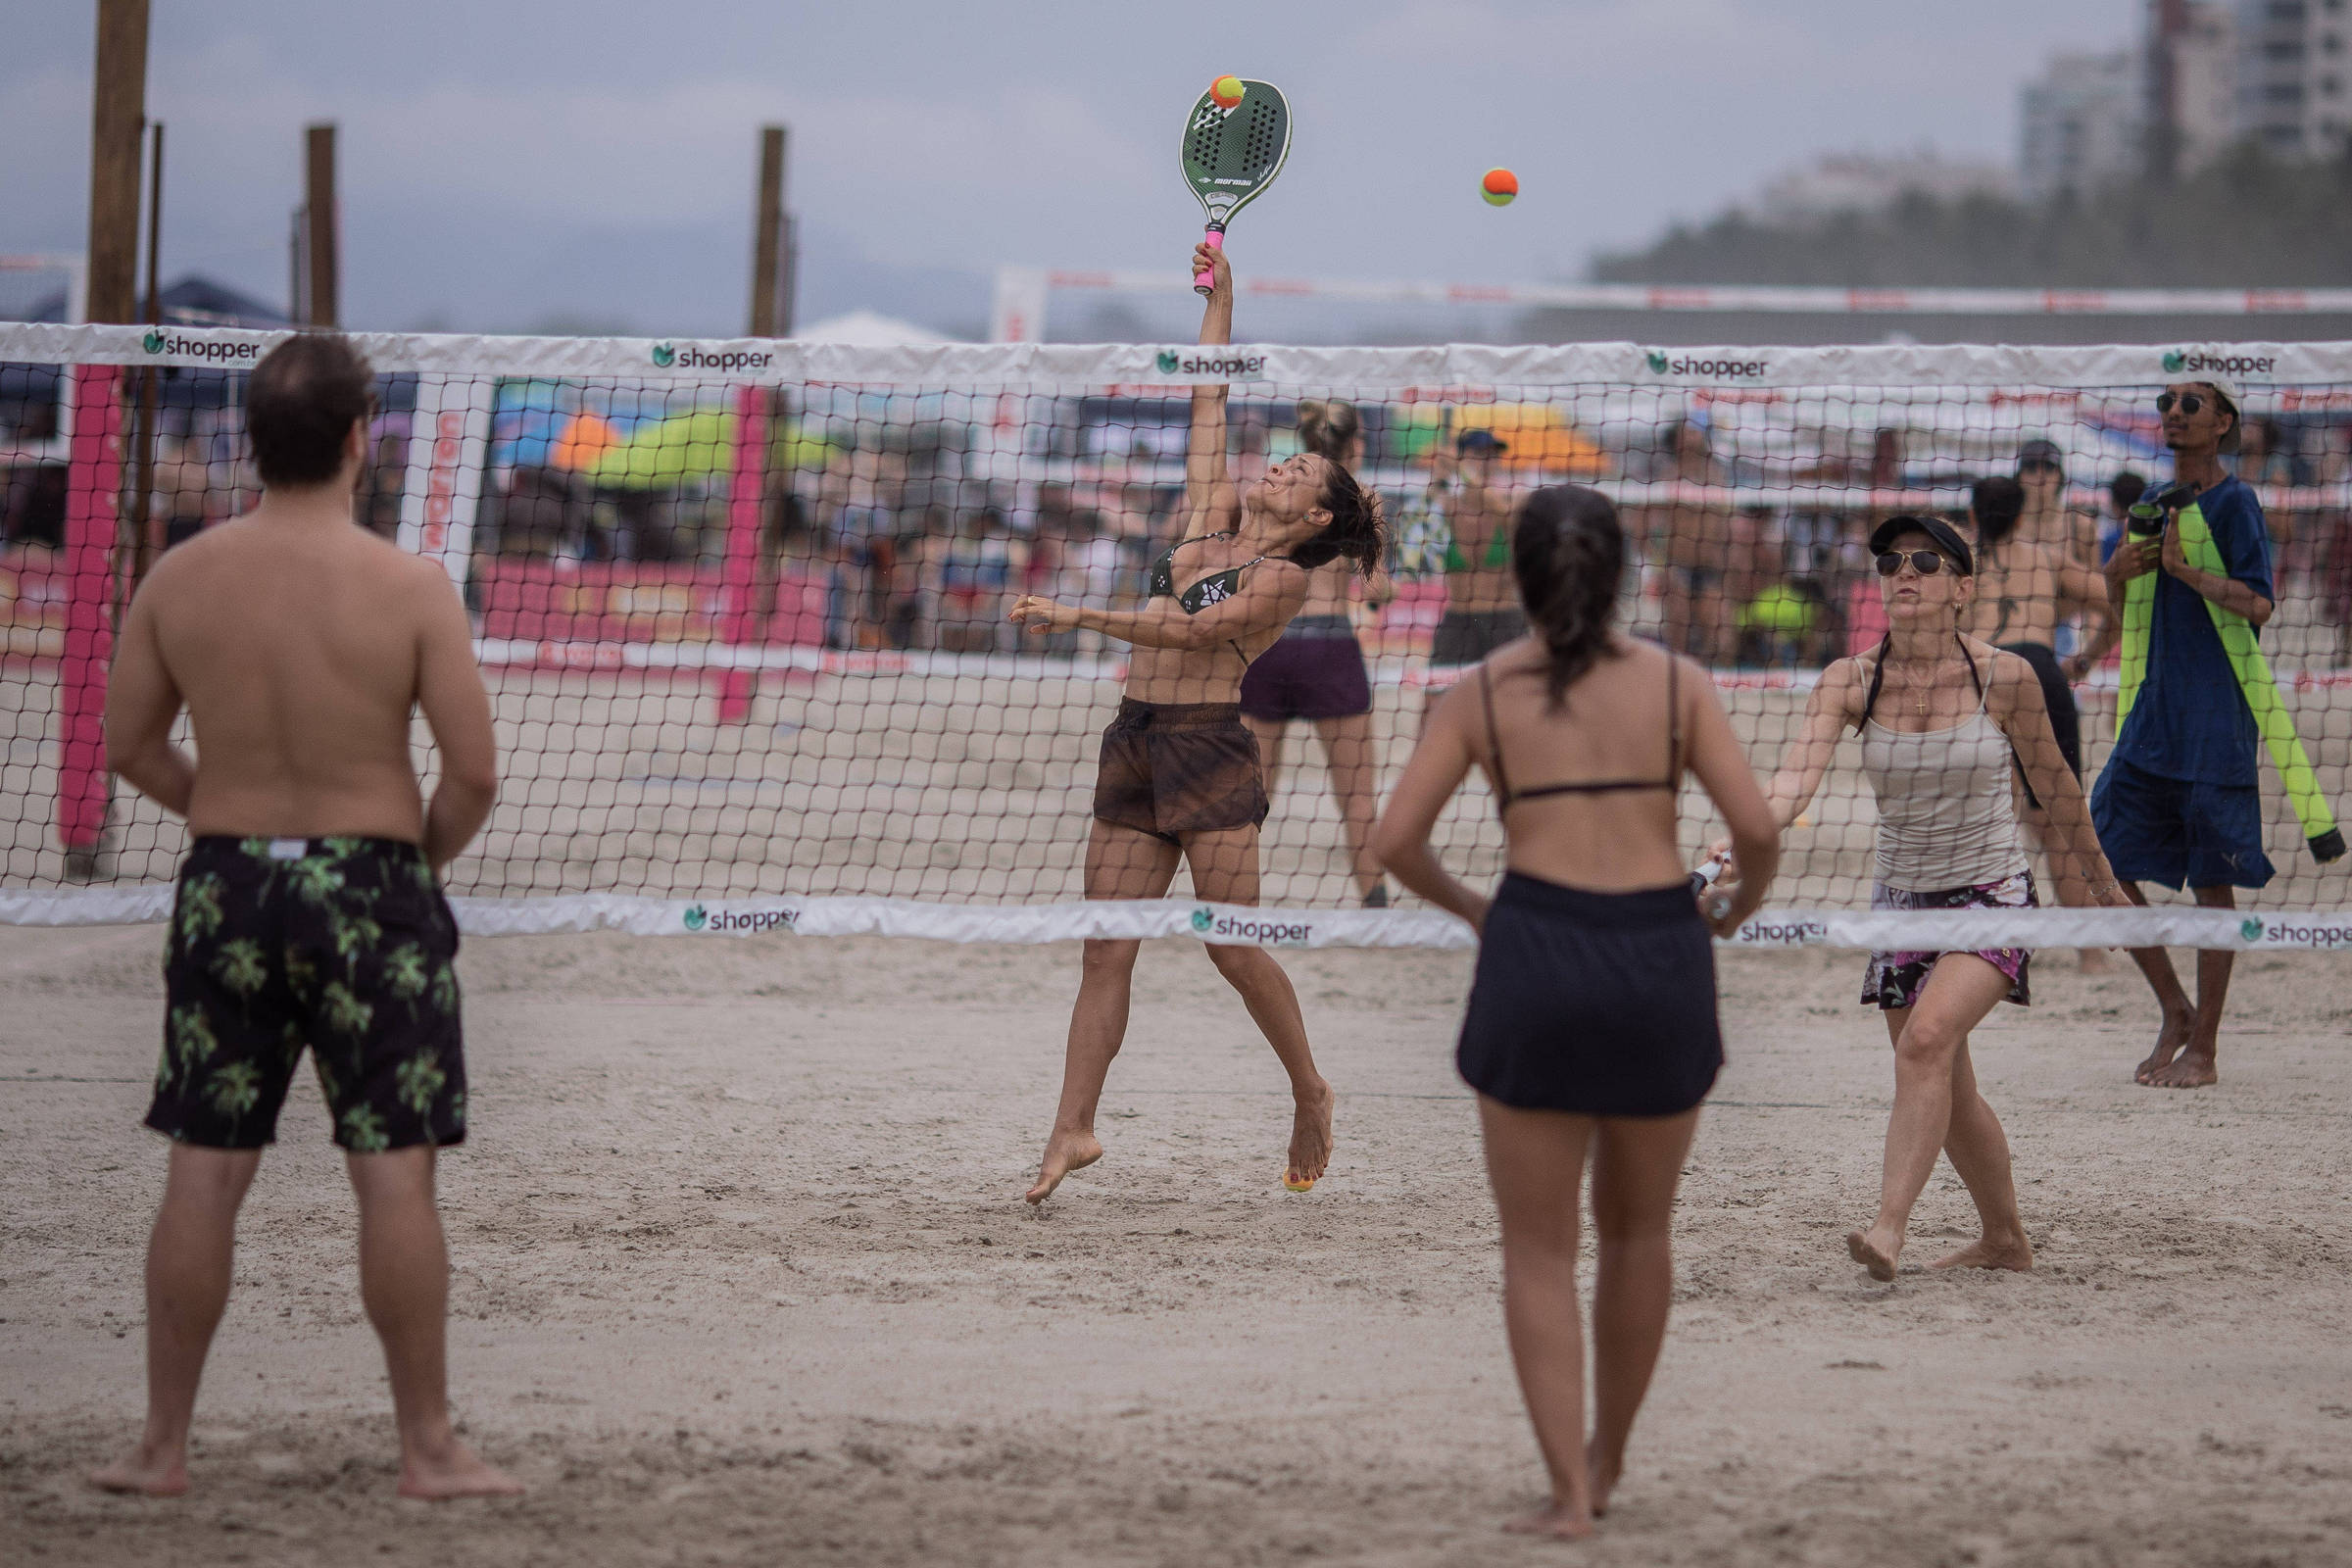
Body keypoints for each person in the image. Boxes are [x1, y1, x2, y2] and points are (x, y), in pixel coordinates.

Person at [91, 333, 516, 1499]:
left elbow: (129, 744)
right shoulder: (408, 585)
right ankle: (427, 1450)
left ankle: (160, 1448)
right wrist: (403, 861)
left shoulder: (181, 578)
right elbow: (473, 773)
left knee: (205, 1169)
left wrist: (225, 818)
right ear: (356, 436)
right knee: (393, 1173)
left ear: (247, 437)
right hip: (370, 886)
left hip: (231, 880)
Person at [1372, 484, 1777, 1540]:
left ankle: (1565, 1494)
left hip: (1537, 947)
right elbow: (1759, 826)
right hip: (1658, 949)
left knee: (1537, 1249)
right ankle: (1608, 1463)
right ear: (1622, 571)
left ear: (1516, 576)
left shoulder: (1482, 691)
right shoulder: (1678, 685)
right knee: (1640, 1234)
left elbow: (1393, 840)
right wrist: (1729, 911)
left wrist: (1477, 912)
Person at [1007, 241, 1384, 1203]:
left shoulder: (1285, 578)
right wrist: (1225, 297)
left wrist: (1077, 614)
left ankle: (1309, 1089)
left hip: (1212, 754)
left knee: (1230, 943)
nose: (1284, 464)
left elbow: (1190, 628)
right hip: (1136, 738)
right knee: (1107, 945)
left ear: (1313, 515)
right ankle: (1073, 1127)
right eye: (1288, 458)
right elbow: (1207, 398)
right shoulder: (1205, 515)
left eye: (1301, 469)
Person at [1735, 514, 2128, 1282]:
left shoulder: (2004, 675)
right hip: (1902, 902)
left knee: (1924, 1044)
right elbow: (1793, 782)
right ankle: (2005, 1240)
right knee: (1945, 1078)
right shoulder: (1850, 679)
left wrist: (2103, 886)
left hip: (1990, 891)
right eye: (1890, 562)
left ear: (1962, 587)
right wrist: (1743, 832)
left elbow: (2057, 790)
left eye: (1924, 561)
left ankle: (1888, 1228)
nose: (1903, 574)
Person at [2090, 378, 2278, 1090]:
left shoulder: (2237, 503)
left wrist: (2186, 571)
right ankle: (2173, 1008)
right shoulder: (2146, 507)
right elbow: (2119, 602)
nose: (2174, 413)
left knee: (2212, 886)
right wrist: (2114, 573)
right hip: (2151, 714)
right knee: (2104, 859)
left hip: (2214, 724)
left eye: (2190, 405)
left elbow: (2260, 604)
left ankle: (2205, 1048)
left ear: (2223, 423)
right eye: (2167, 404)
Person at [1237, 400, 1394, 906]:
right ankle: (1375, 906)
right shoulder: (1363, 499)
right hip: (1329, 644)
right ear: (1355, 445)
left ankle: (1230, 905)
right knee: (1357, 799)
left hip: (1269, 641)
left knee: (1253, 796)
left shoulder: (1274, 491)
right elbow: (1378, 589)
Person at [1965, 475, 2115, 972]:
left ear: (1972, 516)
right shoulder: (2046, 558)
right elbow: (2114, 601)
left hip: (1979, 670)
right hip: (2040, 671)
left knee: (1986, 819)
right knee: (2061, 820)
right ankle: (2091, 955)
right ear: (2023, 516)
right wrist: (2087, 658)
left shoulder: (1955, 562)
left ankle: (1984, 943)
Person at [1422, 428, 1522, 693]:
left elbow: (1501, 510)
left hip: (1505, 621)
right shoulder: (1446, 507)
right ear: (1463, 457)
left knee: (1514, 702)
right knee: (1435, 700)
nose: (1489, 461)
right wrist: (1439, 477)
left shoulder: (1515, 498)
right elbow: (1416, 526)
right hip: (1460, 620)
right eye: (1480, 454)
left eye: (1493, 455)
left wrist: (1461, 470)